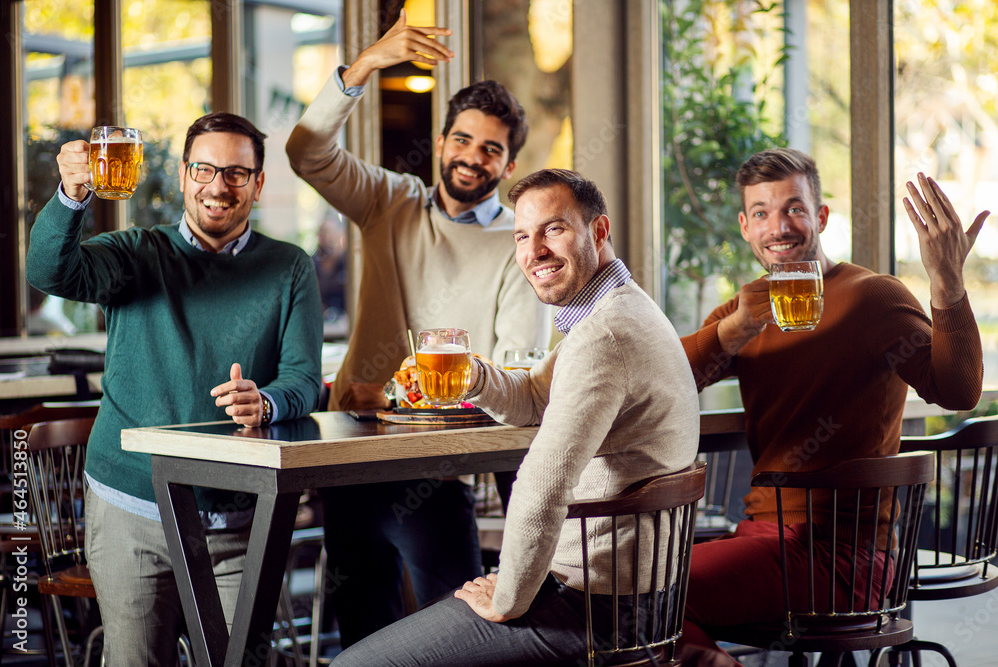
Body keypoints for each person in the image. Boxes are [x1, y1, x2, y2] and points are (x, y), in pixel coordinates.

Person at [331, 168, 700, 666]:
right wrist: (474, 376)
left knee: (355, 664)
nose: (534, 252)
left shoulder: (603, 337)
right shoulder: (621, 309)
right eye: (522, 236)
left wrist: (507, 597)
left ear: (599, 231)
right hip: (636, 600)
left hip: (596, 609)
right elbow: (532, 399)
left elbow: (542, 484)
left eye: (553, 229)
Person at [285, 10, 550, 647]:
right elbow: (304, 151)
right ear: (440, 143)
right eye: (462, 140)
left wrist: (401, 399)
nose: (472, 157)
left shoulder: (520, 244)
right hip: (349, 453)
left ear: (509, 165)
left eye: (491, 148)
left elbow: (513, 378)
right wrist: (367, 64)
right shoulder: (388, 201)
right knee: (360, 636)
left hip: (436, 466)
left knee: (458, 633)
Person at [26, 112, 323, 666]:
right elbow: (49, 271)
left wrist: (267, 402)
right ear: (185, 175)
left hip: (238, 515)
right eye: (205, 169)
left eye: (237, 173)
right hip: (131, 506)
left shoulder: (290, 267)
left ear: (258, 184)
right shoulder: (134, 253)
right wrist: (70, 196)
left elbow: (305, 380)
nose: (218, 186)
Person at [676, 148, 986, 666]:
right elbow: (665, 382)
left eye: (794, 208)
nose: (779, 226)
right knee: (626, 591)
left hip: (846, 557)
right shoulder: (744, 310)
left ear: (820, 217)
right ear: (746, 228)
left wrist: (948, 282)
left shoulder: (872, 297)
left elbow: (958, 391)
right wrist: (730, 334)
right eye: (761, 213)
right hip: (762, 539)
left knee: (643, 593)